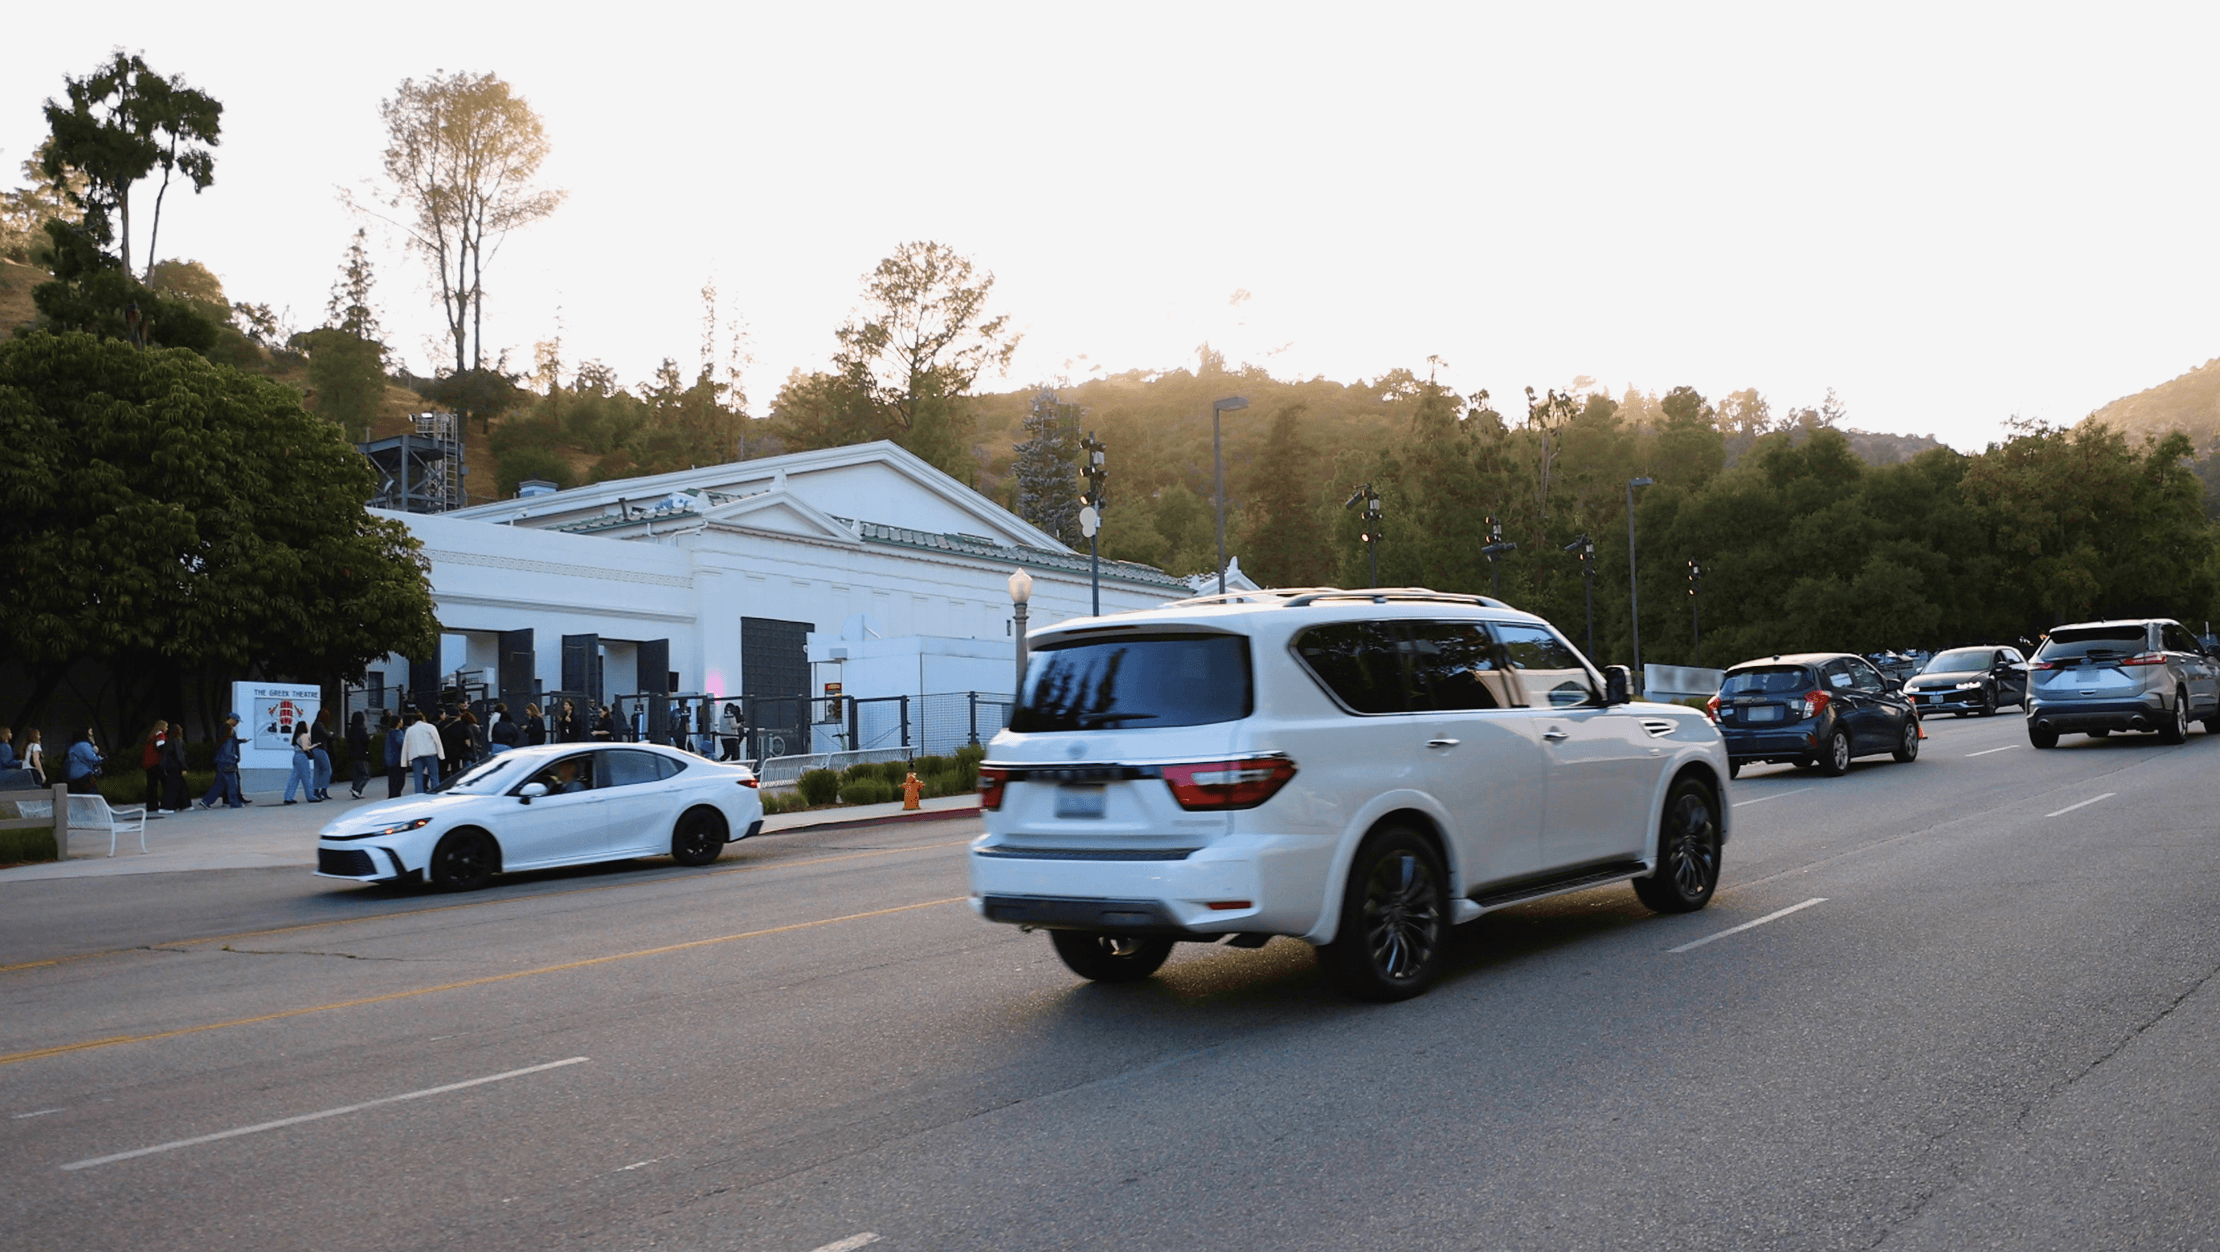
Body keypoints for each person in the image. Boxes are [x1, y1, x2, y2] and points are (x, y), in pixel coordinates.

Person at [199, 715, 246, 809]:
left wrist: (239, 741)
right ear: (232, 719)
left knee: (220, 784)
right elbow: (228, 750)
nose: (237, 723)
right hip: (228, 762)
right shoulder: (228, 735)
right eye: (236, 721)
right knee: (233, 784)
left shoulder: (223, 733)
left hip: (221, 761)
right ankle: (235, 803)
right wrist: (234, 757)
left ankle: (206, 801)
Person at [401, 710, 444, 794]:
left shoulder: (410, 730)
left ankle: (419, 795)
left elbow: (406, 745)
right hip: (431, 753)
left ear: (413, 721)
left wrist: (404, 761)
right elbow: (437, 741)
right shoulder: (430, 727)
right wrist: (441, 755)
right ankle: (436, 793)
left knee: (418, 778)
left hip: (416, 755)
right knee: (434, 776)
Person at [282, 717, 318, 804]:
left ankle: (288, 797)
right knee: (307, 777)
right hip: (302, 757)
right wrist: (314, 745)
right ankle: (311, 796)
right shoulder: (304, 736)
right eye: (306, 725)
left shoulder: (297, 736)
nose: (308, 726)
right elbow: (305, 748)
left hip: (296, 756)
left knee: (294, 778)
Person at [64, 728, 105, 796]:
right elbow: (92, 757)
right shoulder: (84, 744)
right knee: (93, 795)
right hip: (84, 774)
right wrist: (100, 757)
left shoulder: (72, 747)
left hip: (73, 776)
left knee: (79, 796)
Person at [160, 723, 188, 813]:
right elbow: (180, 756)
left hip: (169, 766)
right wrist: (183, 767)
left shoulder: (169, 741)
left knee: (178, 785)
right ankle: (167, 807)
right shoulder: (178, 741)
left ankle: (184, 804)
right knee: (174, 787)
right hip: (175, 766)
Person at [142, 721, 169, 811]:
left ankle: (151, 805)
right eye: (166, 727)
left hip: (148, 764)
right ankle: (168, 803)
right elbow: (161, 747)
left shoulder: (151, 736)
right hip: (157, 763)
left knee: (152, 785)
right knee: (166, 783)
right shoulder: (160, 735)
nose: (167, 729)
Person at [308, 710, 335, 801]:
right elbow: (326, 735)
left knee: (318, 771)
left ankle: (316, 790)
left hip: (315, 749)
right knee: (327, 769)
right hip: (320, 749)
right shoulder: (320, 725)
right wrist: (330, 734)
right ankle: (323, 790)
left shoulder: (315, 724)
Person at [346, 711, 371, 800]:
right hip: (362, 754)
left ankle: (357, 792)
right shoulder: (361, 729)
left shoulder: (351, 730)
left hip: (353, 754)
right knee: (366, 774)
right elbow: (366, 740)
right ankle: (356, 789)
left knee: (357, 774)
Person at [382, 713, 406, 798]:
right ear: (398, 722)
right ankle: (396, 797)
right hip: (398, 760)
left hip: (390, 761)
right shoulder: (398, 733)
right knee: (399, 782)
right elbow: (402, 744)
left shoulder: (389, 733)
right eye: (401, 721)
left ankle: (391, 797)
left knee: (392, 782)